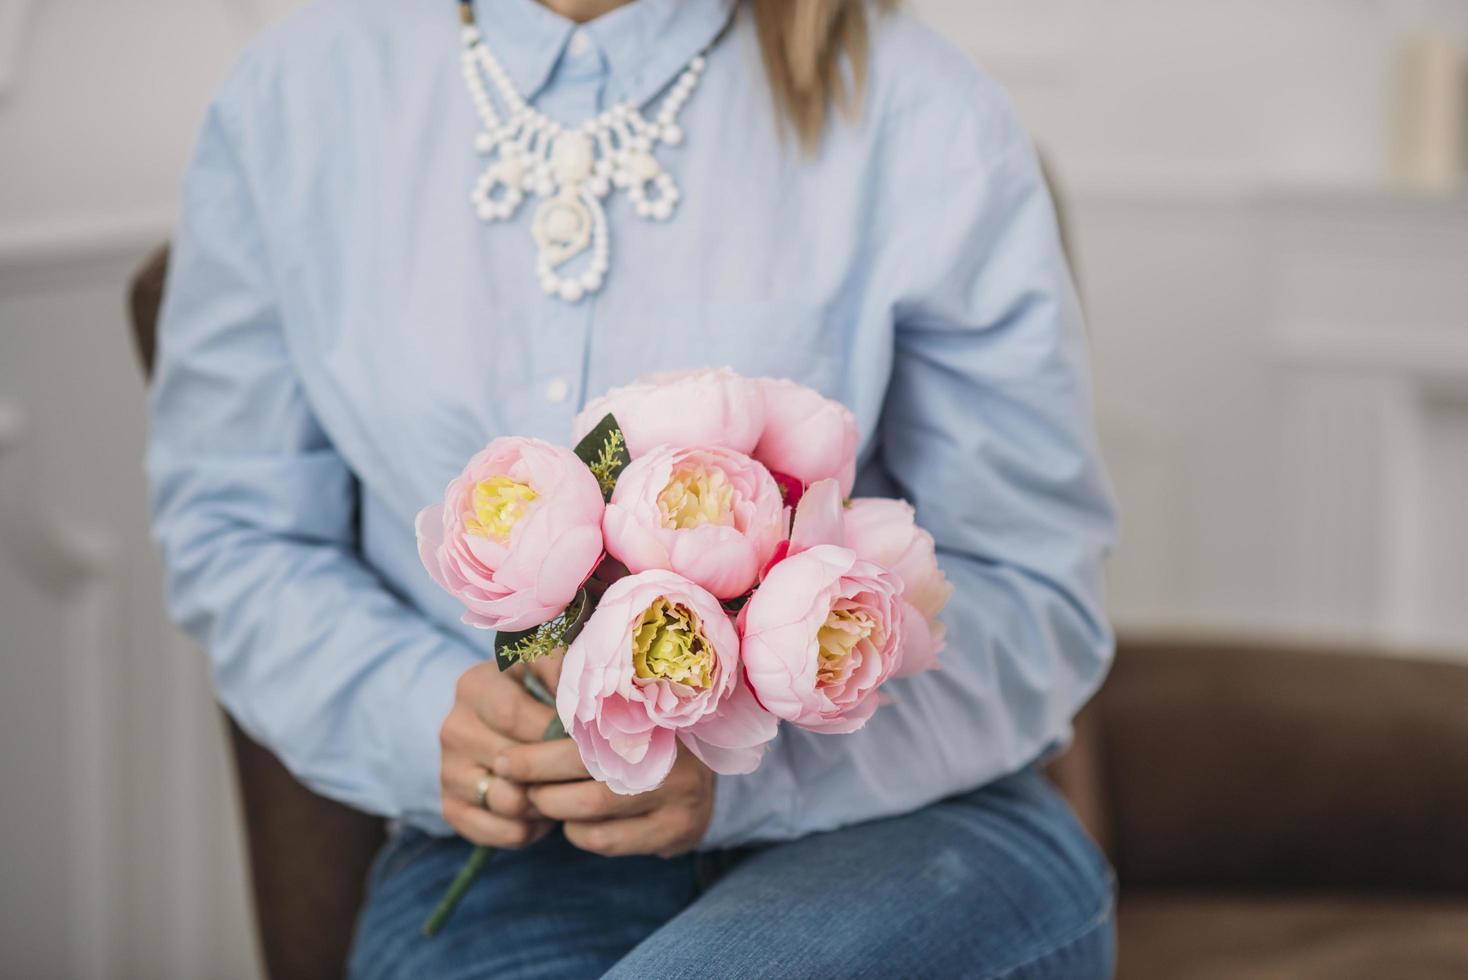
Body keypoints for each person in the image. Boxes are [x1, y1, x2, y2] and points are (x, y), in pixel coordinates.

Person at [148, 0, 1119, 975]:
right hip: (504, 863)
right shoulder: (293, 102)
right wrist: (422, 716)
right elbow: (239, 534)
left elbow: (1033, 593)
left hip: (906, 830)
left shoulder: (925, 115)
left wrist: (751, 769)